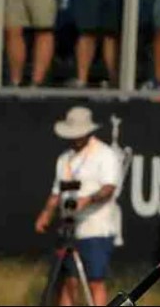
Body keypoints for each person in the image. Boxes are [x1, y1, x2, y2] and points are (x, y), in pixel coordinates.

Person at [35, 106, 123, 307]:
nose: (75, 138)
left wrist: (87, 200)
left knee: (95, 282)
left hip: (96, 228)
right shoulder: (64, 158)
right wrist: (46, 213)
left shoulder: (104, 154)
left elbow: (109, 188)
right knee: (69, 282)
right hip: (70, 228)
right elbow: (57, 192)